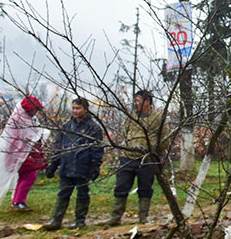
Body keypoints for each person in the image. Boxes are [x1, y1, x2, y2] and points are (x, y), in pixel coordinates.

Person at [101, 89, 170, 226]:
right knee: (121, 187)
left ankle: (143, 217)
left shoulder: (157, 119)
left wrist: (155, 153)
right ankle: (116, 216)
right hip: (127, 158)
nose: (136, 103)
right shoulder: (131, 117)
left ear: (148, 102)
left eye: (138, 100)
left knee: (145, 188)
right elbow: (124, 133)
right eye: (135, 100)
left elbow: (164, 139)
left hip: (147, 160)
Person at [0, 95, 46, 208]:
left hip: (23, 153)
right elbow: (26, 136)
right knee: (29, 175)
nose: (35, 112)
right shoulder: (20, 120)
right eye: (34, 109)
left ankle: (18, 200)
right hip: (21, 153)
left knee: (27, 175)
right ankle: (18, 201)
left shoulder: (26, 118)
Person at [43, 98, 104, 230]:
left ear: (86, 109)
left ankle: (79, 220)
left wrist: (95, 165)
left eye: (78, 108)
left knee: (82, 193)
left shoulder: (94, 128)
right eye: (74, 108)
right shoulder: (66, 127)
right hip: (67, 165)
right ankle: (56, 220)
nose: (75, 111)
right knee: (63, 193)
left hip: (83, 166)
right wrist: (53, 165)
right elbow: (58, 147)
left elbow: (97, 149)